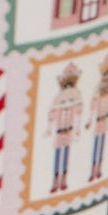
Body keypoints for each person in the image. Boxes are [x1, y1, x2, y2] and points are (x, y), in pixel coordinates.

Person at [43, 64, 82, 192]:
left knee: (66, 154)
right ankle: (55, 179)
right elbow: (51, 116)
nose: (67, 102)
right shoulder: (58, 107)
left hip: (68, 131)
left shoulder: (73, 107)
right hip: (59, 133)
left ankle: (64, 178)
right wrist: (48, 129)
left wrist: (77, 130)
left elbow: (78, 115)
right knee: (58, 154)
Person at [88, 52, 108, 183]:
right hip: (98, 120)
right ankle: (93, 169)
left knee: (102, 145)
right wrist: (90, 120)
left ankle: (98, 168)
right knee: (97, 144)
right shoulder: (98, 93)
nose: (106, 81)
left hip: (105, 119)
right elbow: (93, 107)